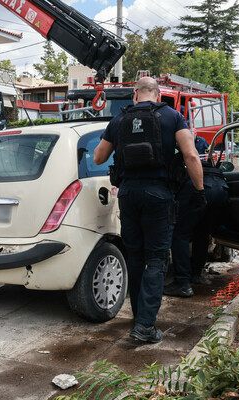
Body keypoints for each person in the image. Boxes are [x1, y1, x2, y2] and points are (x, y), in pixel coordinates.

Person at [94, 77, 205, 343]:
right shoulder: (173, 117)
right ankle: (145, 325)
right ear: (157, 94)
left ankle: (138, 318)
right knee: (156, 258)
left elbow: (98, 157)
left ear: (135, 94)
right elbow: (190, 155)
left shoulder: (118, 120)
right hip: (159, 194)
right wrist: (199, 190)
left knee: (135, 256)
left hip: (128, 194)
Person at [166, 160, 228, 297]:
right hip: (222, 188)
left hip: (198, 187)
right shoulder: (207, 165)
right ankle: (196, 274)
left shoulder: (181, 156)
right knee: (202, 232)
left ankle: (182, 282)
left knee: (179, 235)